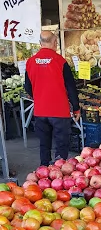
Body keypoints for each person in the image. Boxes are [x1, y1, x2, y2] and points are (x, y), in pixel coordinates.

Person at [24, 31, 80, 166]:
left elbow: (27, 86)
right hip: (59, 112)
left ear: (40, 43)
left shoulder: (30, 62)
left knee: (44, 144)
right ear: (55, 43)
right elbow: (71, 88)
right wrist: (76, 108)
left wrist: (38, 96)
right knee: (61, 146)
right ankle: (59, 175)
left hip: (40, 111)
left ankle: (43, 171)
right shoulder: (60, 61)